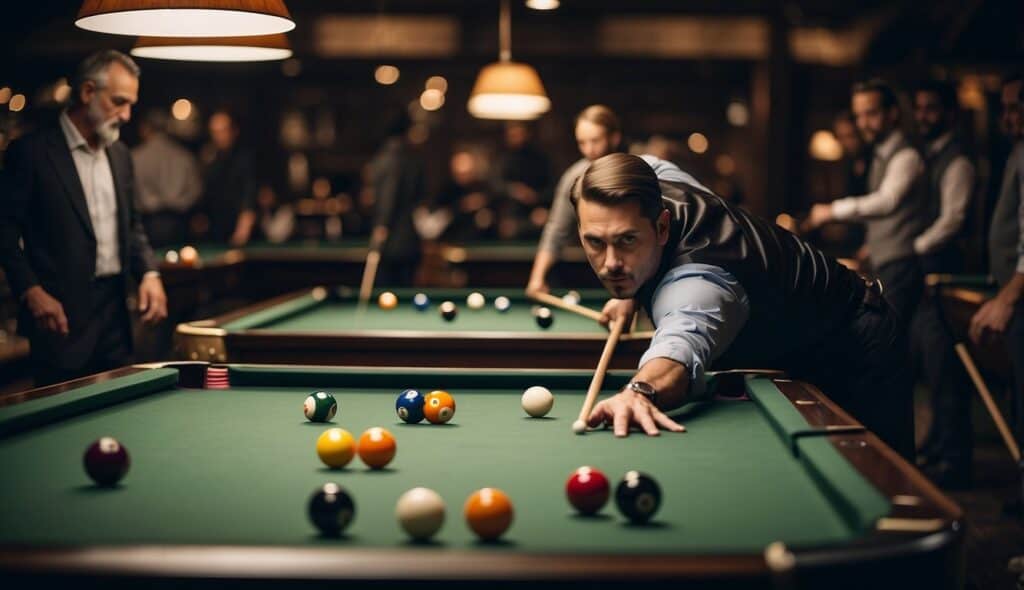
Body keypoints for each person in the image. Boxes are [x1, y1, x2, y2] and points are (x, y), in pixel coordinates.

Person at [577, 153, 914, 460]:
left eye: (627, 240)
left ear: (662, 226)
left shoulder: (699, 283)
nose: (610, 264)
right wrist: (633, 291)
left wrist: (640, 391)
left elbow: (680, 346)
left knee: (886, 488)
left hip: (856, 341)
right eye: (595, 241)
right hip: (802, 336)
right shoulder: (656, 178)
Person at [0, 50, 167, 385]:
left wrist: (149, 272)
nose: (127, 115)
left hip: (115, 317)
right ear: (88, 92)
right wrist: (31, 291)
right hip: (59, 318)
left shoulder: (120, 155)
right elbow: (3, 229)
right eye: (119, 102)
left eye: (131, 104)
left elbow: (132, 226)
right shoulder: (31, 152)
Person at [527, 105, 708, 295]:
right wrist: (537, 278)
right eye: (582, 142)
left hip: (662, 272)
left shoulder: (645, 168)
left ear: (614, 138)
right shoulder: (574, 178)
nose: (589, 149)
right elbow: (556, 229)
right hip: (605, 276)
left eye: (595, 140)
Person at [805, 79, 929, 320]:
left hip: (902, 264)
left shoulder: (907, 156)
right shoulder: (880, 155)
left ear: (892, 113)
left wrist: (832, 211)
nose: (863, 124)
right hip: (885, 262)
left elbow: (887, 202)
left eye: (870, 114)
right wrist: (872, 245)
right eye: (858, 115)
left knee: (888, 337)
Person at [910, 80, 977, 486]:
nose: (923, 116)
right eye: (919, 108)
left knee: (947, 371)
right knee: (931, 369)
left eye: (931, 108)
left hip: (945, 276)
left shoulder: (959, 161)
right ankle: (937, 451)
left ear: (951, 114)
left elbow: (953, 219)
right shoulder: (930, 157)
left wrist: (910, 245)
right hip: (925, 277)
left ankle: (955, 461)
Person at [970, 74, 1024, 447]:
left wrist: (1008, 298)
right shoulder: (1017, 152)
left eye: (1014, 107)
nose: (1007, 117)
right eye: (1003, 108)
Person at [366, 112, 426, 286]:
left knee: (387, 288)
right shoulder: (411, 158)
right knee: (403, 286)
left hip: (393, 242)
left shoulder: (387, 157)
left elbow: (389, 194)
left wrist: (381, 225)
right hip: (408, 241)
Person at [131, 109, 202, 247]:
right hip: (180, 222)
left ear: (145, 128)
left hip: (149, 224)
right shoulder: (184, 156)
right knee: (181, 268)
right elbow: (196, 192)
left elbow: (131, 196)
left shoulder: (135, 157)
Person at [200, 110, 257, 246]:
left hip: (242, 233)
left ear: (234, 131)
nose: (219, 136)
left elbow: (249, 194)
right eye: (214, 131)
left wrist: (243, 229)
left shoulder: (246, 159)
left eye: (223, 130)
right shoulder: (211, 160)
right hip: (216, 232)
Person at [495, 122, 551, 240]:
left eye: (519, 134)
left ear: (527, 134)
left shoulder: (540, 159)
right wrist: (513, 190)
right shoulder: (501, 159)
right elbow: (494, 186)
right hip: (509, 216)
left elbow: (553, 188)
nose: (516, 138)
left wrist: (536, 197)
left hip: (537, 212)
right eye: (513, 135)